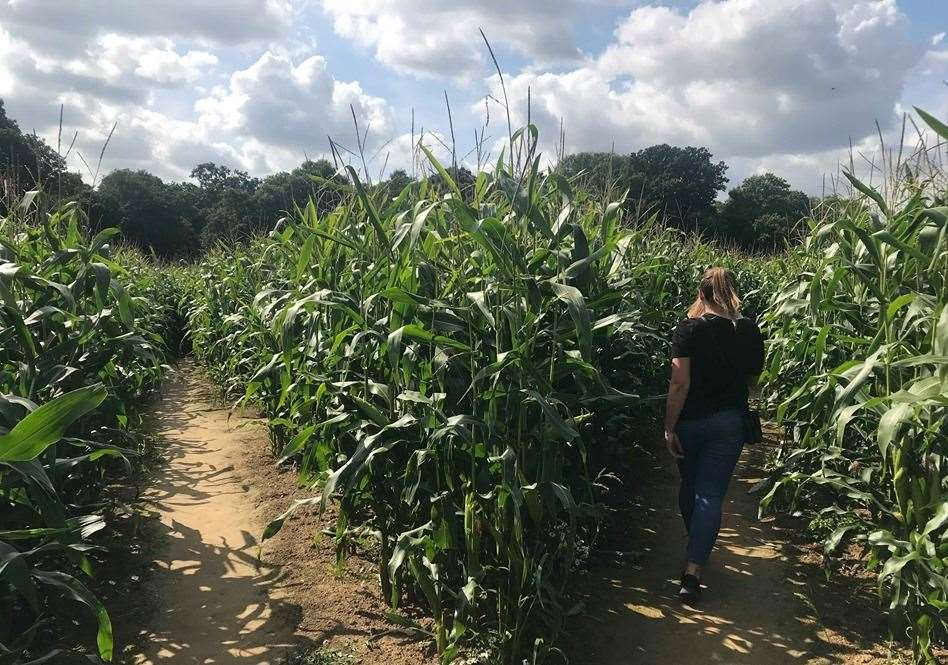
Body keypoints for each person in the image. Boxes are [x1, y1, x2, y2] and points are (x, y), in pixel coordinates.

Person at [663, 267, 765, 605]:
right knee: (710, 495)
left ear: (702, 295)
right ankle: (693, 570)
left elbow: (680, 384)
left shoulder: (688, 329)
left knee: (690, 487)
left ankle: (697, 546)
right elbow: (753, 379)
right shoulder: (749, 330)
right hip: (729, 424)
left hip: (690, 422)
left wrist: (669, 426)